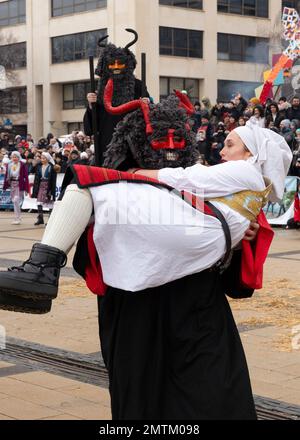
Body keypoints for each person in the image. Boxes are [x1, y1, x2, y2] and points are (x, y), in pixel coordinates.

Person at [0, 88, 292, 420]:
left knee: (213, 400)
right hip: (136, 315)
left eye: (176, 144)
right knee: (142, 406)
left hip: (198, 316)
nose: (168, 150)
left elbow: (241, 279)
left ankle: (40, 268)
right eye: (157, 144)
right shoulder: (120, 193)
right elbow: (93, 259)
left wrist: (239, 246)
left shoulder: (221, 186)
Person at [84, 29, 150, 166]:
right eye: (112, 64)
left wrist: (147, 105)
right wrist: (91, 106)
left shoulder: (138, 86)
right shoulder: (99, 89)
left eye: (120, 63)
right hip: (106, 141)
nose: (116, 67)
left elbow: (150, 117)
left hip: (131, 142)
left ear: (127, 64)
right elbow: (90, 127)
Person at [3, 151, 29, 225]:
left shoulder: (22, 165)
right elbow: (6, 176)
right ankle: (17, 217)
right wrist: (5, 186)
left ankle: (17, 218)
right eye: (13, 157)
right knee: (15, 201)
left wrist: (27, 189)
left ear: (19, 157)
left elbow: (26, 177)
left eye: (16, 157)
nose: (14, 158)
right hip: (12, 184)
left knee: (16, 200)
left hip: (19, 184)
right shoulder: (9, 165)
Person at [32, 152, 57, 226]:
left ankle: (50, 220)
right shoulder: (39, 167)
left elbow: (53, 180)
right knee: (39, 202)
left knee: (49, 203)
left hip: (48, 186)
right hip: (41, 185)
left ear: (48, 159)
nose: (42, 160)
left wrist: (51, 191)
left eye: (44, 158)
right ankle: (40, 218)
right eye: (41, 158)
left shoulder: (51, 167)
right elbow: (37, 178)